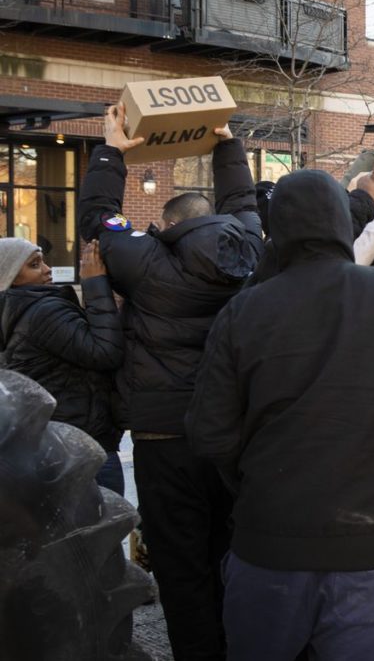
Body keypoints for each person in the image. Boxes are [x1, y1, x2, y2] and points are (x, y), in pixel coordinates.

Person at [185, 168, 374, 661]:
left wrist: (252, 478)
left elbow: (210, 428)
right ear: (342, 222)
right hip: (367, 545)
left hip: (268, 542)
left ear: (278, 230)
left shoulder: (245, 309)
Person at [78, 103, 263, 661]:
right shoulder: (249, 249)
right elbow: (246, 204)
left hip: (163, 437)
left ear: (173, 225)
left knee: (181, 569)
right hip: (235, 433)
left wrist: (113, 150)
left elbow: (98, 219)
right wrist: (228, 147)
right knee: (232, 553)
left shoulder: (146, 263)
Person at [0, 239, 125, 493]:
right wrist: (95, 285)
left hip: (53, 445)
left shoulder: (17, 311)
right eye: (35, 264)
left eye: (43, 260)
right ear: (10, 276)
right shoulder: (43, 311)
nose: (47, 269)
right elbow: (105, 352)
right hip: (81, 447)